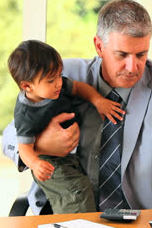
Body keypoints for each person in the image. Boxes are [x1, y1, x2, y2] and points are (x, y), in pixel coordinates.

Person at [2, 0, 152, 219]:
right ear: (99, 46)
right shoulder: (61, 78)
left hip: (143, 216)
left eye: (141, 55)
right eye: (122, 55)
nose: (132, 67)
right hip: (67, 212)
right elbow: (11, 135)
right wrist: (40, 144)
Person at [7, 40, 124, 214]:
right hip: (49, 162)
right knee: (76, 193)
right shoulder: (26, 113)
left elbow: (78, 88)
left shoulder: (57, 85)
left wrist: (97, 101)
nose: (59, 83)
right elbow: (23, 148)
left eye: (59, 76)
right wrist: (36, 163)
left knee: (83, 189)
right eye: (50, 80)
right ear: (27, 86)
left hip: (71, 158)